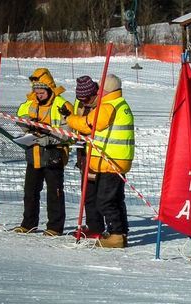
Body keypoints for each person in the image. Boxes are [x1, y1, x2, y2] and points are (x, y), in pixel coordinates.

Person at [59, 74, 134, 248]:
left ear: (106, 89)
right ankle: (122, 232)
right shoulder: (120, 104)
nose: (98, 90)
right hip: (116, 159)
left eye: (100, 88)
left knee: (105, 201)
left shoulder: (108, 106)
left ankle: (115, 235)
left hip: (110, 160)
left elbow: (88, 125)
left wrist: (69, 119)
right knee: (116, 199)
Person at [14, 68, 74, 236]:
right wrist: (28, 125)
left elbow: (69, 130)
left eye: (41, 92)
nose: (39, 95)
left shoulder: (62, 104)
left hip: (54, 154)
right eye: (36, 91)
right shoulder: (30, 103)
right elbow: (19, 118)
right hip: (34, 152)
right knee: (30, 191)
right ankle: (28, 224)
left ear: (49, 89)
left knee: (54, 192)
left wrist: (50, 138)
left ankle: (55, 227)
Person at [71, 75, 105, 239]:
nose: (82, 101)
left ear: (93, 94)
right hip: (84, 153)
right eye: (80, 98)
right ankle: (93, 226)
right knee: (88, 193)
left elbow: (90, 125)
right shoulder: (81, 103)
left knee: (100, 194)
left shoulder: (101, 104)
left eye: (85, 98)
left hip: (98, 155)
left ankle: (101, 227)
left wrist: (75, 122)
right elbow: (78, 123)